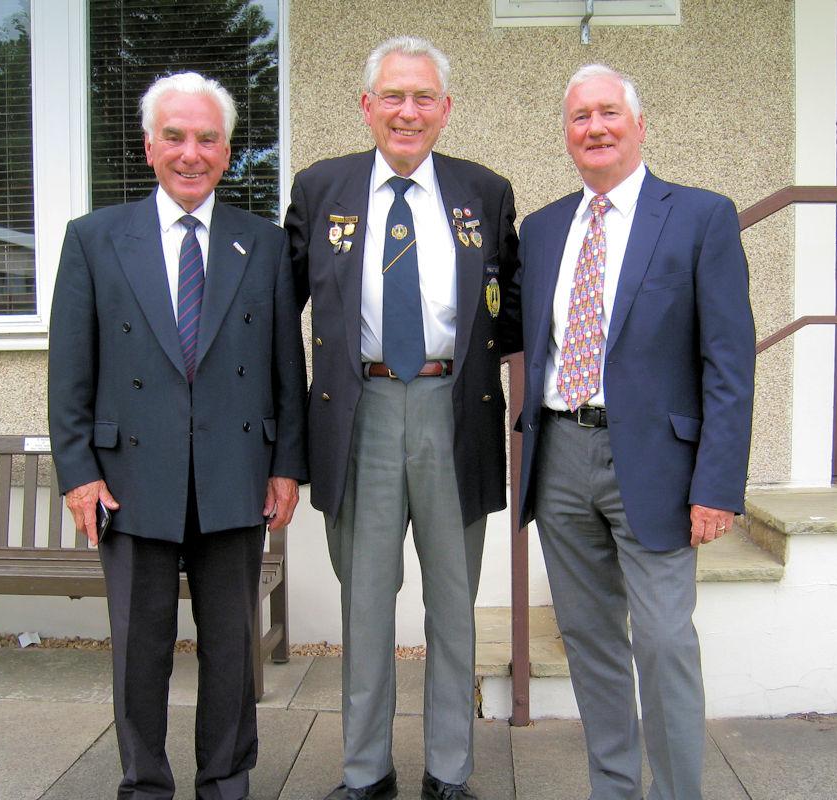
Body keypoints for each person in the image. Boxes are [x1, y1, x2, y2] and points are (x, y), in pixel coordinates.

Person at [48, 71, 307, 800]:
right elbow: (69, 370)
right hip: (129, 479)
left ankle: (225, 779)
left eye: (207, 138)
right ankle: (145, 783)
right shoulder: (95, 240)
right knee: (139, 649)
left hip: (235, 474)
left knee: (232, 647)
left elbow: (289, 364)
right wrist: (78, 472)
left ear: (228, 152)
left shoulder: (262, 243)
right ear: (148, 146)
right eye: (175, 137)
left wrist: (287, 465)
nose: (191, 153)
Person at [284, 35, 520, 800]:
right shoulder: (322, 189)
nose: (407, 111)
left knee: (453, 606)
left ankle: (450, 771)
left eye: (423, 97)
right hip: (363, 414)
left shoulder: (485, 192)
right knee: (365, 606)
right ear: (367, 106)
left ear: (445, 110)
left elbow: (513, 309)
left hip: (456, 412)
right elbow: (273, 306)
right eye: (393, 95)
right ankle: (365, 771)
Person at [514, 64, 755, 800]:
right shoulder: (544, 227)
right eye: (580, 117)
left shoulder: (700, 217)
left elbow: (729, 363)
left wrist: (717, 484)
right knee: (589, 643)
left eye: (609, 113)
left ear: (640, 124)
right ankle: (613, 788)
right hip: (558, 454)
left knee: (663, 641)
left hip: (655, 466)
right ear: (566, 134)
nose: (595, 127)